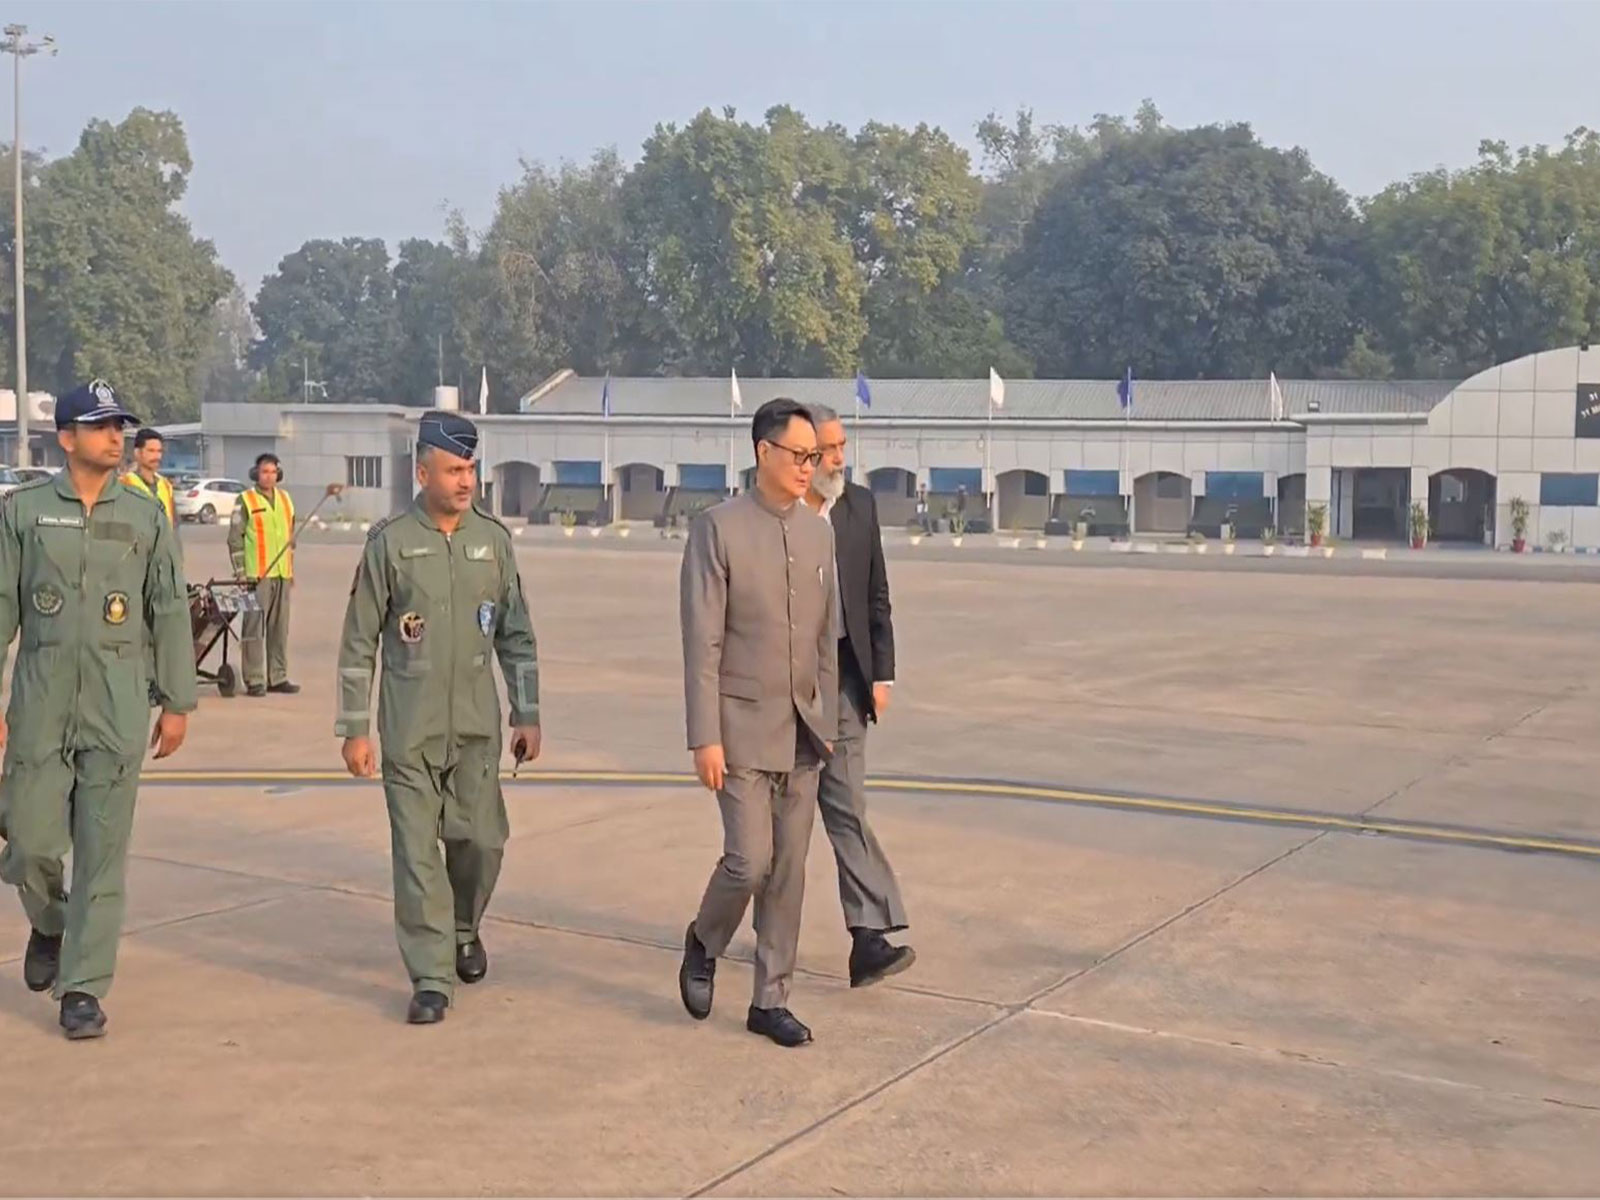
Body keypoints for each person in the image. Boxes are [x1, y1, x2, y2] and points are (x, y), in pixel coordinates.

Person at [0, 379, 195, 1040]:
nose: (117, 437)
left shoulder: (144, 517)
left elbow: (168, 610)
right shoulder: (23, 514)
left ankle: (83, 987)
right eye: (102, 426)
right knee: (26, 842)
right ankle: (51, 922)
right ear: (66, 437)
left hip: (116, 701)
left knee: (103, 852)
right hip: (41, 698)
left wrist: (177, 701)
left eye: (120, 426)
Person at [335, 410, 541, 1025]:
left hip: (477, 727)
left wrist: (527, 712)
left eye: (471, 468)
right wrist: (354, 727)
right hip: (410, 730)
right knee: (417, 853)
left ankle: (461, 926)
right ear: (422, 471)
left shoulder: (493, 542)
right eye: (454, 469)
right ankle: (430, 975)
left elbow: (518, 635)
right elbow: (358, 641)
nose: (466, 480)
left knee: (482, 841)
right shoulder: (391, 544)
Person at [678, 397, 837, 1048]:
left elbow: (828, 635)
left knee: (789, 872)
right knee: (749, 863)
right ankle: (704, 939)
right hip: (740, 727)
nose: (809, 467)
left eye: (815, 457)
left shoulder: (819, 531)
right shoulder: (718, 529)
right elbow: (702, 641)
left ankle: (770, 999)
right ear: (762, 453)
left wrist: (826, 713)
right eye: (798, 455)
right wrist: (704, 735)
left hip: (803, 730)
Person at [803, 406, 914, 987]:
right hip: (788, 690)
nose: (840, 458)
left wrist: (882, 673)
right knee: (775, 829)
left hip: (845, 682)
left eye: (843, 445)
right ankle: (718, 931)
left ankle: (867, 937)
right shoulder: (781, 512)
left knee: (847, 808)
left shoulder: (859, 506)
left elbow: (877, 594)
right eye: (828, 449)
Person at [229, 452, 298, 696]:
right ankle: (255, 679)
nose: (268, 476)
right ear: (256, 474)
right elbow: (234, 539)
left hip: (281, 573)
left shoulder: (286, 500)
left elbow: (290, 539)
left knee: (279, 628)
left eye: (272, 471)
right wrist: (240, 573)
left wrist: (291, 571)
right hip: (255, 576)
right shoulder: (244, 500)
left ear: (278, 474)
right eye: (264, 471)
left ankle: (277, 677)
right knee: (253, 628)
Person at [121, 429, 176, 527]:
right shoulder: (124, 484)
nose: (157, 456)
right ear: (138, 453)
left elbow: (173, 526)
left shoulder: (166, 486)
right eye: (151, 451)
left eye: (159, 451)